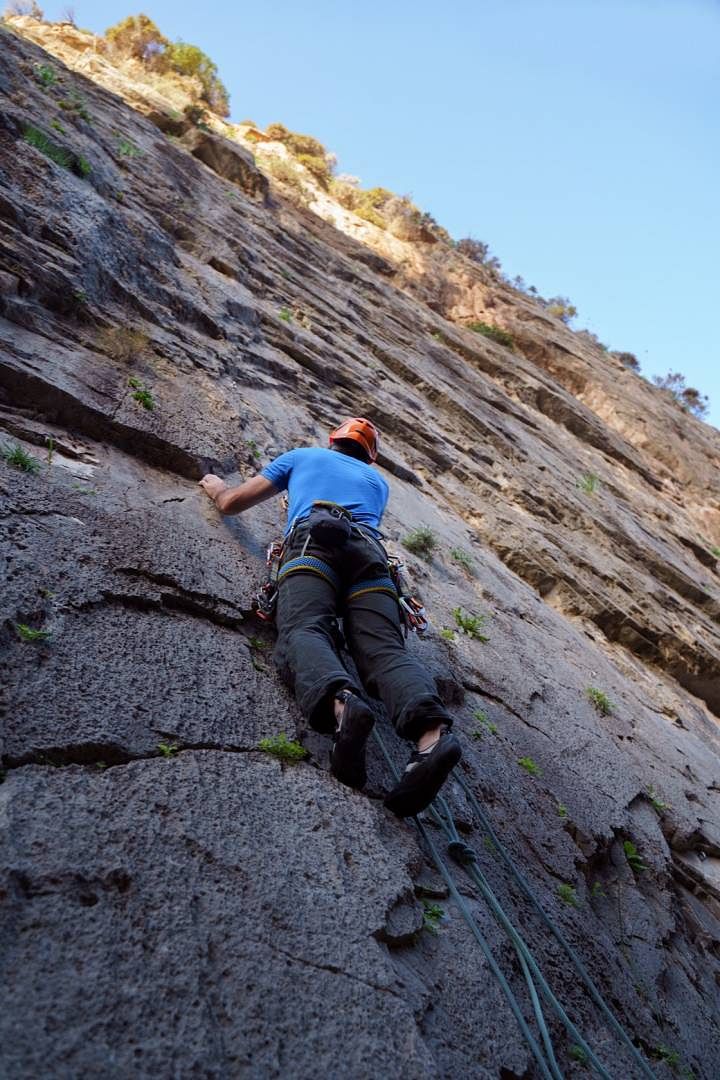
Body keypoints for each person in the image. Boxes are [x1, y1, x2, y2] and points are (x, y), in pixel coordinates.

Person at [199, 417, 461, 816]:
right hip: (371, 559)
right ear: (369, 457)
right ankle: (431, 738)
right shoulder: (378, 484)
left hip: (313, 543)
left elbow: (233, 503)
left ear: (333, 440)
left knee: (305, 627)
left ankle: (343, 706)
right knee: (385, 650)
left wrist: (217, 487)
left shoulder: (303, 456)